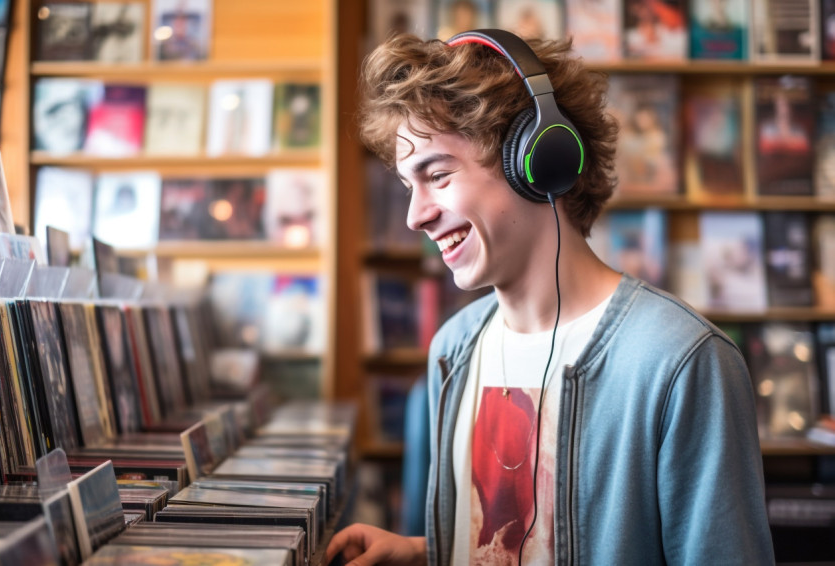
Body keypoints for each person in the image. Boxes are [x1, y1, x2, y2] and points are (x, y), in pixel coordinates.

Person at [327, 30, 775, 565]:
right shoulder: (454, 348)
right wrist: (428, 553)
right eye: (409, 186)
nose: (415, 216)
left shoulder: (680, 362)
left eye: (439, 175)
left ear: (540, 162)